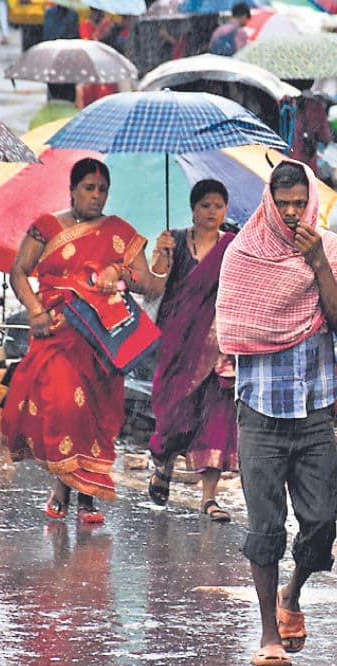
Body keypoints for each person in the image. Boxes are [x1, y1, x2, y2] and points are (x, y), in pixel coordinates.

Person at [216, 160, 337, 666]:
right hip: (259, 411)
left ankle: (293, 591)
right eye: (285, 205)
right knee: (265, 527)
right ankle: (268, 631)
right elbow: (233, 324)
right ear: (270, 203)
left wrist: (318, 261)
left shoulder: (333, 249)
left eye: (302, 204)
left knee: (322, 521)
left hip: (315, 410)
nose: (294, 213)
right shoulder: (244, 253)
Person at [1, 158, 157, 524]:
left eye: (103, 190)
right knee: (64, 407)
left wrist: (119, 272)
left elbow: (148, 284)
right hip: (55, 334)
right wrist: (36, 311)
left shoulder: (119, 232)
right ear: (72, 189)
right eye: (89, 188)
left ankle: (85, 497)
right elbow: (19, 271)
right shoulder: (46, 227)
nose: (97, 196)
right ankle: (62, 486)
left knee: (96, 416)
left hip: (102, 342)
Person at [147, 180, 239, 522]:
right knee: (173, 416)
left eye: (218, 205)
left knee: (215, 418)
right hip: (177, 342)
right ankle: (162, 467)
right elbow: (154, 286)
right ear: (193, 209)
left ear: (226, 210)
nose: (212, 212)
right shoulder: (175, 241)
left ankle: (209, 498)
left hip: (218, 345)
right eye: (205, 205)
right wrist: (160, 256)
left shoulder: (232, 246)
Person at [287, 81, 331, 172]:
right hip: (306, 164)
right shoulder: (316, 107)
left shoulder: (283, 102)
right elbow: (324, 136)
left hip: (282, 159)